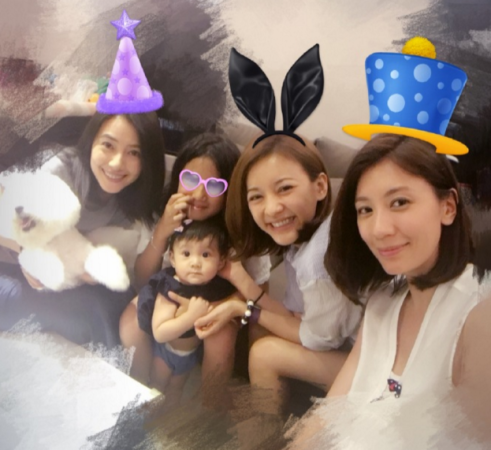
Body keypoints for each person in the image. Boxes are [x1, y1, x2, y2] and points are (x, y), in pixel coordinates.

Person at [174, 134, 363, 415]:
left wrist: (243, 309)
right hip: (346, 343)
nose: (272, 208)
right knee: (260, 336)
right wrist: (241, 285)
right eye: (256, 197)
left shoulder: (319, 260)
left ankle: (256, 432)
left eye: (285, 188)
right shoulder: (302, 242)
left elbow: (316, 337)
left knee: (264, 354)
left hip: (370, 363)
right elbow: (294, 317)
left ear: (321, 186)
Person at [325, 133, 488, 401]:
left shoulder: (476, 312)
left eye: (399, 202)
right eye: (365, 210)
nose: (379, 229)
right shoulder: (382, 303)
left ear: (448, 207)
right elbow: (329, 413)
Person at [0, 112, 166, 349]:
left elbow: (137, 276)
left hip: (57, 274)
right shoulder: (60, 172)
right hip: (8, 269)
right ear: (91, 141)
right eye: (108, 145)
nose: (116, 163)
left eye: (134, 152)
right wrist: (25, 248)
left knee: (120, 298)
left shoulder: (127, 200)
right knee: (93, 314)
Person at [119, 133, 271, 389]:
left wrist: (216, 308)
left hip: (219, 302)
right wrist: (163, 230)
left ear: (230, 191)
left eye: (214, 186)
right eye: (190, 179)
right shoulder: (166, 213)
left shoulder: (242, 228)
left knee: (220, 337)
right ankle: (138, 389)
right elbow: (143, 279)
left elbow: (260, 286)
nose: (199, 193)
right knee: (130, 321)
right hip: (168, 295)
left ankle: (211, 402)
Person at [137, 217, 237, 404]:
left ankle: (169, 418)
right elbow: (160, 332)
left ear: (221, 261)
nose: (195, 263)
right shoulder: (170, 287)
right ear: (172, 258)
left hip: (189, 356)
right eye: (186, 253)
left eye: (205, 255)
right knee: (156, 387)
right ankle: (149, 418)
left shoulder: (216, 288)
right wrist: (192, 316)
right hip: (165, 353)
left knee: (176, 391)